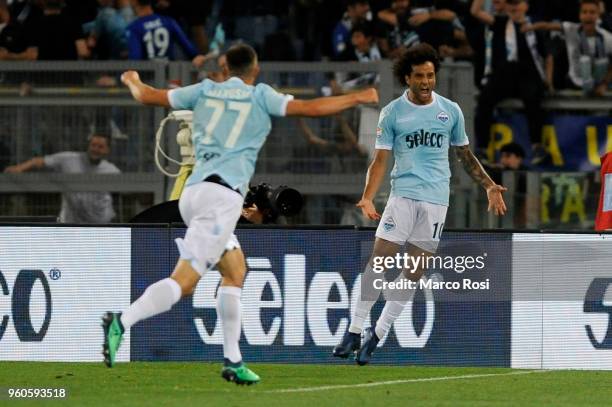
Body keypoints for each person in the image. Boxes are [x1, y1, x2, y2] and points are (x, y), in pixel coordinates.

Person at [102, 43, 378, 384]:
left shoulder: (204, 90)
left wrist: (131, 79)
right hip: (220, 200)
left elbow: (147, 96)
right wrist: (357, 97)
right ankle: (121, 322)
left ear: (223, 67)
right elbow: (311, 107)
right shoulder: (261, 96)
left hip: (196, 191)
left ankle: (232, 360)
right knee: (184, 283)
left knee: (235, 271)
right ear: (255, 69)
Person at [332, 43, 506, 365]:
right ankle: (355, 329)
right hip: (403, 197)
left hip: (437, 202)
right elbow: (380, 160)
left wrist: (488, 185)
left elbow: (464, 155)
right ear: (407, 78)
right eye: (420, 76)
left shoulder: (450, 110)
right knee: (380, 263)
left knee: (413, 272)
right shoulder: (393, 113)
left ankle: (378, 334)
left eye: (430, 75)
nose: (426, 82)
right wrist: (368, 195)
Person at [471, 0, 551, 162]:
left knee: (533, 99)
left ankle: (537, 146)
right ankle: (483, 149)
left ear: (526, 6)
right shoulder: (500, 23)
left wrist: (549, 79)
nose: (514, 7)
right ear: (506, 7)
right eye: (510, 3)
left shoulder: (535, 25)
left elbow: (547, 54)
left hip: (528, 73)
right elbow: (475, 11)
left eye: (517, 3)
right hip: (505, 74)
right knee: (484, 99)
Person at [4, 134, 120, 223]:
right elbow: (39, 161)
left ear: (107, 150)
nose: (95, 149)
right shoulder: (69, 159)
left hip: (101, 224)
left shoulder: (112, 170)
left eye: (100, 146)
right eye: (93, 145)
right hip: (71, 223)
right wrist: (19, 168)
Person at [524, 0, 612, 95]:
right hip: (574, 82)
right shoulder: (571, 29)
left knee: (601, 62)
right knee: (583, 60)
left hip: (599, 84)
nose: (588, 16)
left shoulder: (607, 37)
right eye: (584, 12)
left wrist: (604, 84)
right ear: (579, 15)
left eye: (592, 12)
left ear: (598, 15)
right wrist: (530, 27)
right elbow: (546, 25)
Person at [125, 0, 204, 66]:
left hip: (146, 77)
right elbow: (189, 48)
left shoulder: (134, 28)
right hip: (168, 74)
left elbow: (135, 59)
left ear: (134, 2)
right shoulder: (168, 21)